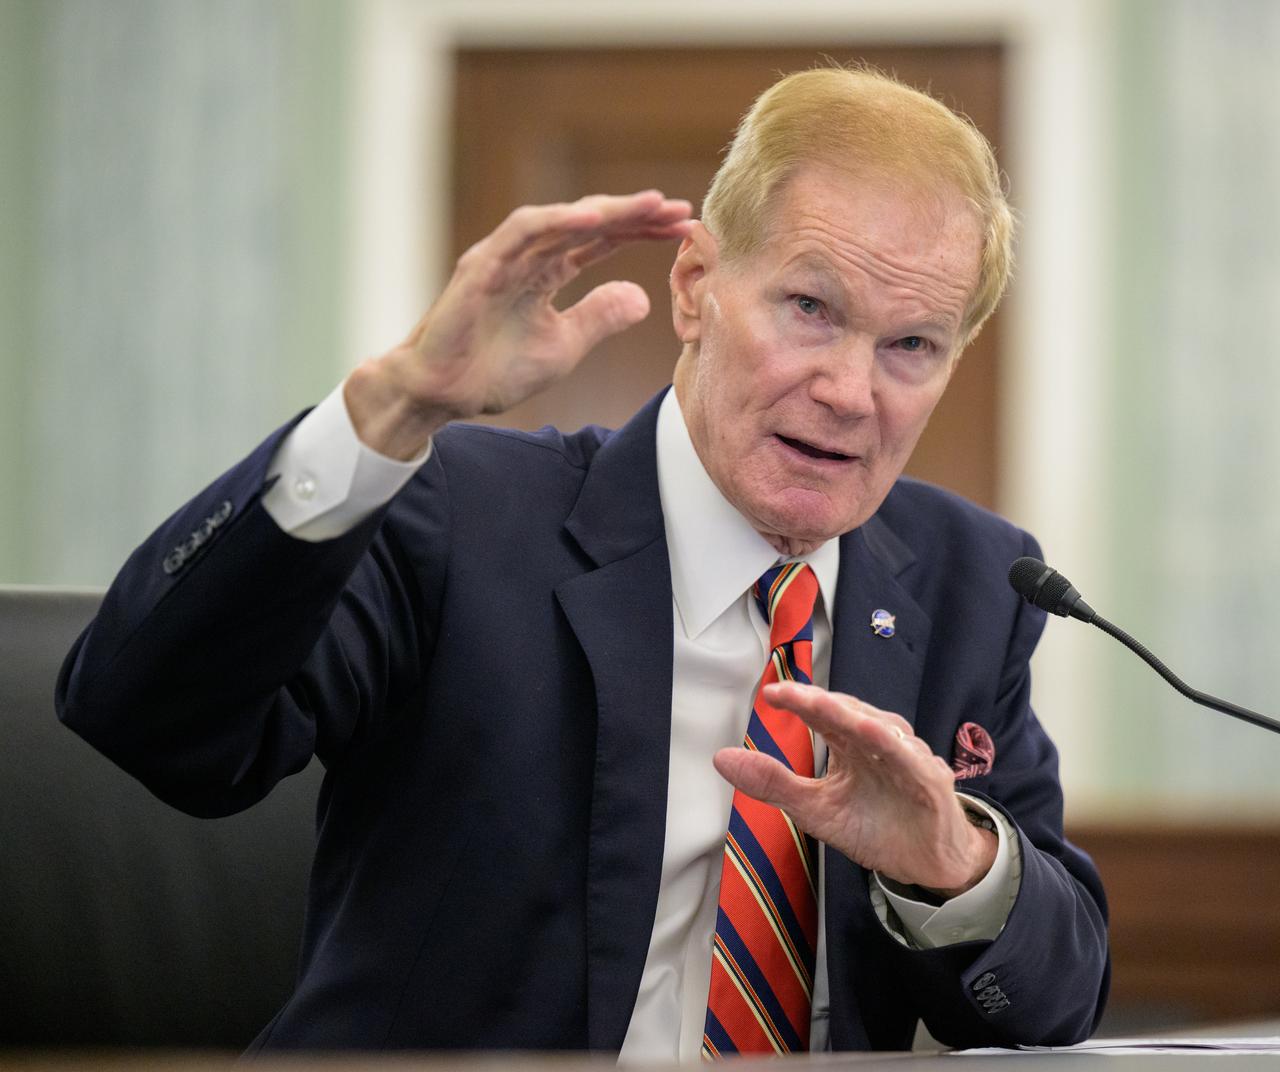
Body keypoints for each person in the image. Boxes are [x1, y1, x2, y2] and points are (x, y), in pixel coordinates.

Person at [57, 66, 1108, 1059]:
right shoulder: (458, 512)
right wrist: (389, 412)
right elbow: (149, 720)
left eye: (908, 346)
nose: (847, 389)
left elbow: (1053, 1000)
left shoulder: (974, 580)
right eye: (809, 308)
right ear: (693, 286)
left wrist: (953, 868)